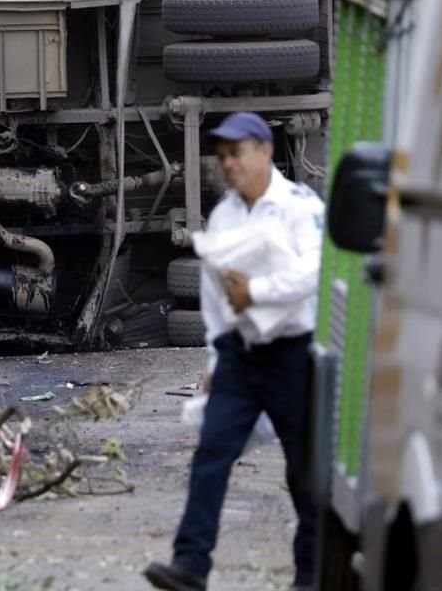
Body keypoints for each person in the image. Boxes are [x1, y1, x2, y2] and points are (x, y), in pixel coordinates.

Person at [145, 112, 323, 591]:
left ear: (264, 151)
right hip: (241, 360)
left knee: (305, 474)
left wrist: (258, 291)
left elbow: (316, 272)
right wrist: (216, 359)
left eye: (236, 153)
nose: (228, 164)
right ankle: (190, 566)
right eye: (222, 156)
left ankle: (311, 576)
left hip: (293, 357)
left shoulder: (298, 206)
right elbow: (214, 296)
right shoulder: (225, 214)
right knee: (211, 456)